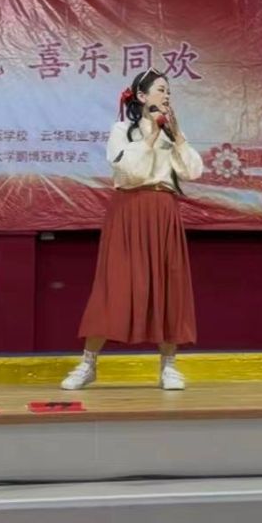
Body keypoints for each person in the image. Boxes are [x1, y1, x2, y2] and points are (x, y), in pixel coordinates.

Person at [60, 70, 203, 391]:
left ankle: (168, 366)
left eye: (168, 91)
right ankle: (88, 364)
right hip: (128, 212)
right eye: (161, 90)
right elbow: (129, 171)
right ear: (142, 96)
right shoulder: (122, 130)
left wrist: (177, 136)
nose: (167, 96)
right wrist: (151, 136)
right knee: (114, 286)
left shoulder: (172, 134)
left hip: (163, 212)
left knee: (167, 286)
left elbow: (193, 171)